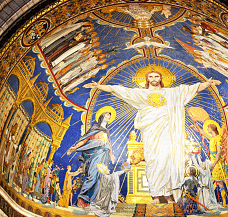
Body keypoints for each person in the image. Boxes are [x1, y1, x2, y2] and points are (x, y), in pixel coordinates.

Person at [84, 71, 220, 204]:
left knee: (167, 160)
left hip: (167, 133)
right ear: (147, 79)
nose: (154, 78)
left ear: (161, 78)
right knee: (153, 161)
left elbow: (193, 89)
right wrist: (98, 86)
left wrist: (207, 84)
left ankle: (167, 194)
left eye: (156, 76)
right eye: (151, 76)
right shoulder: (141, 94)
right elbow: (119, 90)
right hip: (150, 133)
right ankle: (155, 194)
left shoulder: (171, 93)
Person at [67, 110, 115, 208]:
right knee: (92, 177)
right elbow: (85, 139)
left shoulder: (106, 131)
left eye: (110, 116)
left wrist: (111, 154)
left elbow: (108, 143)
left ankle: (91, 202)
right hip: (94, 155)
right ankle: (81, 200)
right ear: (101, 116)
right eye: (107, 115)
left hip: (103, 155)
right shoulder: (95, 128)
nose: (109, 117)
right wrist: (75, 147)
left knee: (99, 179)